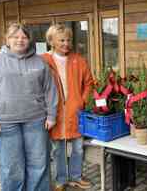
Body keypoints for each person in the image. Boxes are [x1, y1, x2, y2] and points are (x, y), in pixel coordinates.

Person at [0, 23, 57, 191]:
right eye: (15, 37)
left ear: (29, 40)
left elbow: (50, 90)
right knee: (11, 168)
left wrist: (52, 115)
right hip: (5, 124)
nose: (20, 40)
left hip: (36, 121)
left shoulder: (40, 62)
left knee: (39, 164)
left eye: (24, 37)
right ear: (7, 40)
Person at [42, 24, 94, 191]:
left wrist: (82, 101)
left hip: (75, 110)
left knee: (78, 147)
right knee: (58, 149)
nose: (66, 43)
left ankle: (76, 177)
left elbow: (89, 83)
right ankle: (61, 179)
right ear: (51, 41)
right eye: (61, 40)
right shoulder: (43, 60)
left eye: (68, 40)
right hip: (54, 112)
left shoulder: (79, 60)